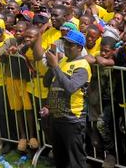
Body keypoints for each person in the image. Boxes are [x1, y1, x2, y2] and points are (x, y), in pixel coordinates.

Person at [43, 28, 90, 168]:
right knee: (60, 160)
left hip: (72, 120)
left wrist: (55, 66)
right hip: (57, 117)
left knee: (76, 162)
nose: (66, 47)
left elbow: (70, 88)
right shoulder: (62, 61)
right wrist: (52, 66)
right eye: (65, 43)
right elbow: (47, 83)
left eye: (70, 44)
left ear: (79, 48)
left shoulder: (82, 66)